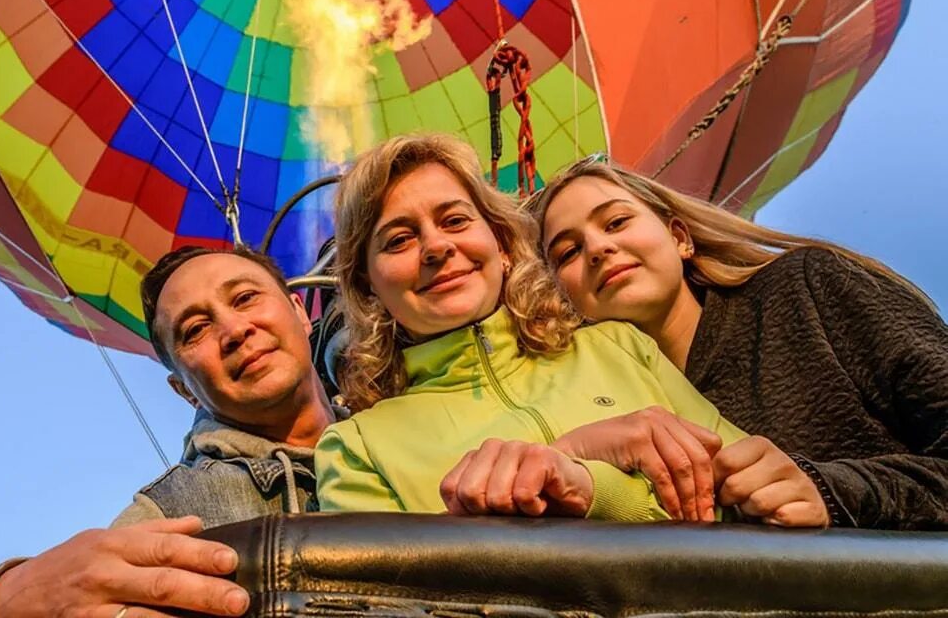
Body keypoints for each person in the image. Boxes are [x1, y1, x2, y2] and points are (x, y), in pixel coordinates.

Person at [314, 133, 826, 526]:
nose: (435, 248)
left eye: (454, 221)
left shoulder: (619, 346)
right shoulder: (357, 448)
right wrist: (576, 462)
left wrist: (791, 491)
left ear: (503, 245)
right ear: (368, 285)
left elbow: (744, 499)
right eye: (399, 239)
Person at [534, 155, 948, 529]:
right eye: (568, 252)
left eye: (616, 222)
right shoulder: (598, 409)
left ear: (681, 238)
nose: (598, 248)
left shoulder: (806, 289)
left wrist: (832, 491)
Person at [0, 246, 338, 618]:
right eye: (195, 330)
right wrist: (4, 602)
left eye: (244, 298)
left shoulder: (386, 430)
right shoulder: (175, 509)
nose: (235, 330)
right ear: (185, 390)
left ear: (300, 312)